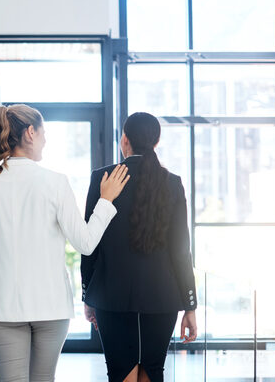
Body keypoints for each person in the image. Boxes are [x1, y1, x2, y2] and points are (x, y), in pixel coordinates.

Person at [0, 104, 130, 382]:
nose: (45, 140)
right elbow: (86, 243)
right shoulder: (56, 182)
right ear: (30, 133)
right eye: (44, 133)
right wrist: (106, 201)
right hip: (51, 306)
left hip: (0, 307)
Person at [81, 112, 198, 382]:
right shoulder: (172, 183)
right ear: (156, 142)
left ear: (125, 140)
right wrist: (190, 305)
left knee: (121, 372)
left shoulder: (102, 178)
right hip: (162, 297)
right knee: (152, 371)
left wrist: (88, 294)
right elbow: (181, 251)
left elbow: (90, 244)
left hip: (110, 295)